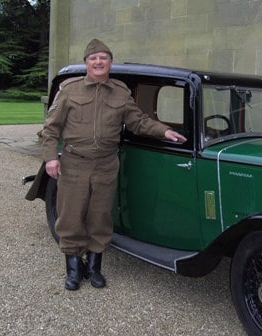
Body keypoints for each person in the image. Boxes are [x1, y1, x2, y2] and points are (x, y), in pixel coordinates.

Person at [42, 38, 187, 290]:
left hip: (106, 165)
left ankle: (95, 268)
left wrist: (164, 131)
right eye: (93, 58)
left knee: (100, 218)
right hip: (75, 163)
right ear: (86, 63)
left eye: (103, 57)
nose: (98, 62)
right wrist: (51, 158)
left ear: (110, 62)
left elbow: (138, 121)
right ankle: (74, 270)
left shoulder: (120, 92)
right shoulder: (69, 90)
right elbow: (51, 127)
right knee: (71, 217)